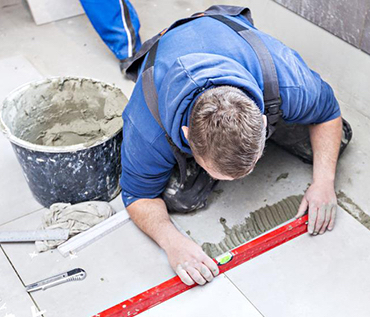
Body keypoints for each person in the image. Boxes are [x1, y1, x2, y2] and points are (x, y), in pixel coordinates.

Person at [82, 5, 352, 287]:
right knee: (177, 198)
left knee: (337, 139)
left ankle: (267, 140)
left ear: (262, 120)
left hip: (230, 44)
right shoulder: (147, 125)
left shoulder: (285, 77)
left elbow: (328, 113)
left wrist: (324, 182)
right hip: (172, 60)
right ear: (185, 135)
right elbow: (137, 195)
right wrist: (172, 242)